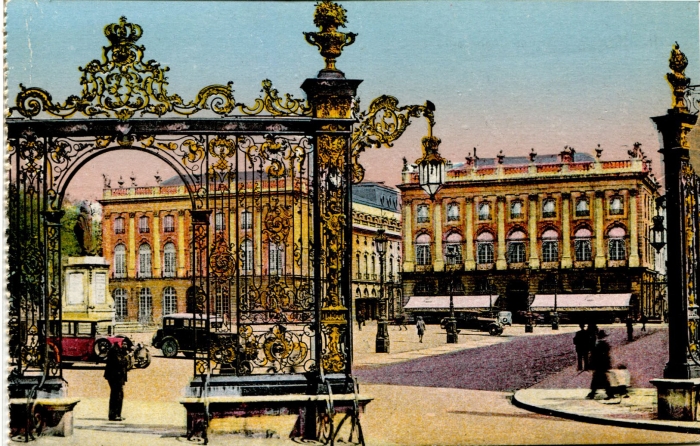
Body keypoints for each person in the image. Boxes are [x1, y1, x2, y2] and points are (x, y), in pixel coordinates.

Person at [104, 343, 129, 421]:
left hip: (117, 376)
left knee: (118, 395)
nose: (125, 345)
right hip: (115, 377)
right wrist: (127, 356)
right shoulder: (115, 351)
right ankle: (114, 415)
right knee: (117, 395)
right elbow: (121, 362)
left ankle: (116, 414)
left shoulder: (118, 351)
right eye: (124, 344)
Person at [587, 330, 614, 400]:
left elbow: (594, 356)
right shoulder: (604, 344)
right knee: (601, 379)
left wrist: (591, 364)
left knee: (598, 379)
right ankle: (607, 393)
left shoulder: (599, 345)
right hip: (602, 365)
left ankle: (593, 393)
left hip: (599, 365)